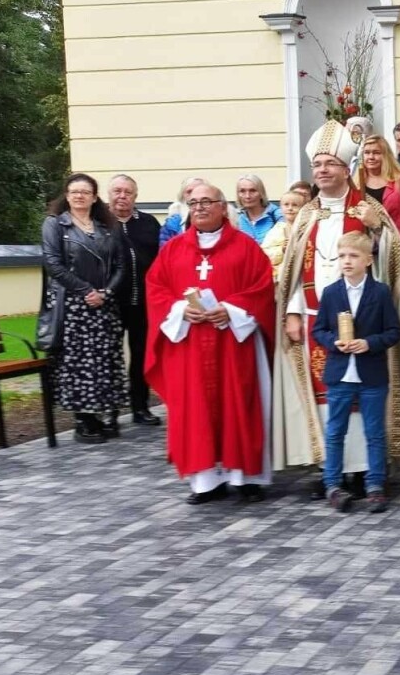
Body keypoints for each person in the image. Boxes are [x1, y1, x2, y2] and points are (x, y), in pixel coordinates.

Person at [273, 120, 400, 489]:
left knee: (363, 395)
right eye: (317, 165)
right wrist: (294, 312)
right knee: (328, 396)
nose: (322, 170)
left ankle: (363, 468)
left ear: (347, 169)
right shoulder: (307, 215)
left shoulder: (367, 208)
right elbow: (295, 269)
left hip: (367, 323)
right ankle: (331, 468)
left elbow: (394, 261)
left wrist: (377, 230)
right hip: (319, 322)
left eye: (330, 163)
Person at [145, 182, 276, 504]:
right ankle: (205, 482)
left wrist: (230, 310)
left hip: (234, 345)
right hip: (190, 346)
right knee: (195, 410)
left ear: (222, 207)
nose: (200, 207)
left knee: (240, 404)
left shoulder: (246, 247)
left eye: (207, 202)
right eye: (194, 203)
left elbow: (262, 289)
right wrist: (180, 309)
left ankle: (246, 477)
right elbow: (156, 289)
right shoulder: (174, 249)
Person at [312, 231, 400, 514]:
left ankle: (375, 484)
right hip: (339, 374)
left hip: (371, 375)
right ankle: (333, 485)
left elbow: (394, 331)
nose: (347, 261)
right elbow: (319, 330)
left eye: (353, 256)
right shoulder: (330, 293)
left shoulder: (380, 292)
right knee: (335, 431)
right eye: (342, 256)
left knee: (374, 432)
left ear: (368, 259)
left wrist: (369, 343)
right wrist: (333, 343)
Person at [41, 172, 127, 444]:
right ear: (66, 195)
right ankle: (83, 420)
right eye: (74, 191)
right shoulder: (55, 225)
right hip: (73, 307)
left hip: (104, 305)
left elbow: (121, 265)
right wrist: (86, 291)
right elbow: (53, 264)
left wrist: (107, 292)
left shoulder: (107, 226)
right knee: (78, 365)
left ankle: (102, 414)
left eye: (85, 191)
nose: (79, 196)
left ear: (94, 196)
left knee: (103, 362)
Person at [108, 174, 162, 427]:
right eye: (117, 191)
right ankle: (110, 411)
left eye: (127, 192)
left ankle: (140, 407)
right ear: (109, 195)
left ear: (135, 196)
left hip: (143, 302)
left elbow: (160, 261)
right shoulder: (99, 224)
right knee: (110, 356)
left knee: (141, 355)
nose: (122, 196)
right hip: (111, 303)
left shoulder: (149, 223)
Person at [358, 135, 400, 237]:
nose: (371, 157)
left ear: (386, 155)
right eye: (367, 153)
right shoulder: (357, 182)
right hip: (364, 246)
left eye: (376, 153)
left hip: (398, 243)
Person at [260, 189, 307, 280]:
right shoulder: (277, 230)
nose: (290, 208)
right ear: (281, 208)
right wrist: (282, 250)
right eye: (286, 205)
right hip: (281, 279)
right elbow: (264, 255)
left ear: (303, 209)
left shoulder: (307, 229)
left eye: (295, 205)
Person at [235, 174, 284, 244]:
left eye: (253, 191)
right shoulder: (235, 218)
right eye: (242, 191)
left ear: (261, 193)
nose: (247, 196)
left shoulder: (278, 215)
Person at [159, 176, 206, 246]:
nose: (194, 195)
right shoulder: (172, 224)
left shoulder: (217, 217)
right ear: (183, 195)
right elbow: (165, 252)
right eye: (189, 192)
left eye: (199, 191)